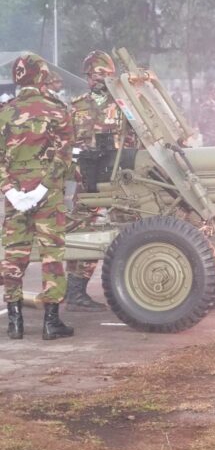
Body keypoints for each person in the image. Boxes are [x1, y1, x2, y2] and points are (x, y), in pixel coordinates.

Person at [0, 53, 75, 340]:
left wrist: (12, 192)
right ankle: (51, 322)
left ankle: (14, 323)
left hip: (15, 197)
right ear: (42, 76)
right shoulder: (56, 110)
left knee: (14, 257)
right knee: (51, 256)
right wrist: (42, 189)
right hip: (48, 196)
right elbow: (64, 156)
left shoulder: (5, 111)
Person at [66, 50, 136, 312]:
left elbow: (137, 139)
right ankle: (75, 290)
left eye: (103, 74)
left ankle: (131, 285)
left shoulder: (124, 105)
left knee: (128, 229)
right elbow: (65, 143)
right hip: (88, 179)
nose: (97, 79)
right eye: (93, 75)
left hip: (121, 179)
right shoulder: (77, 106)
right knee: (83, 231)